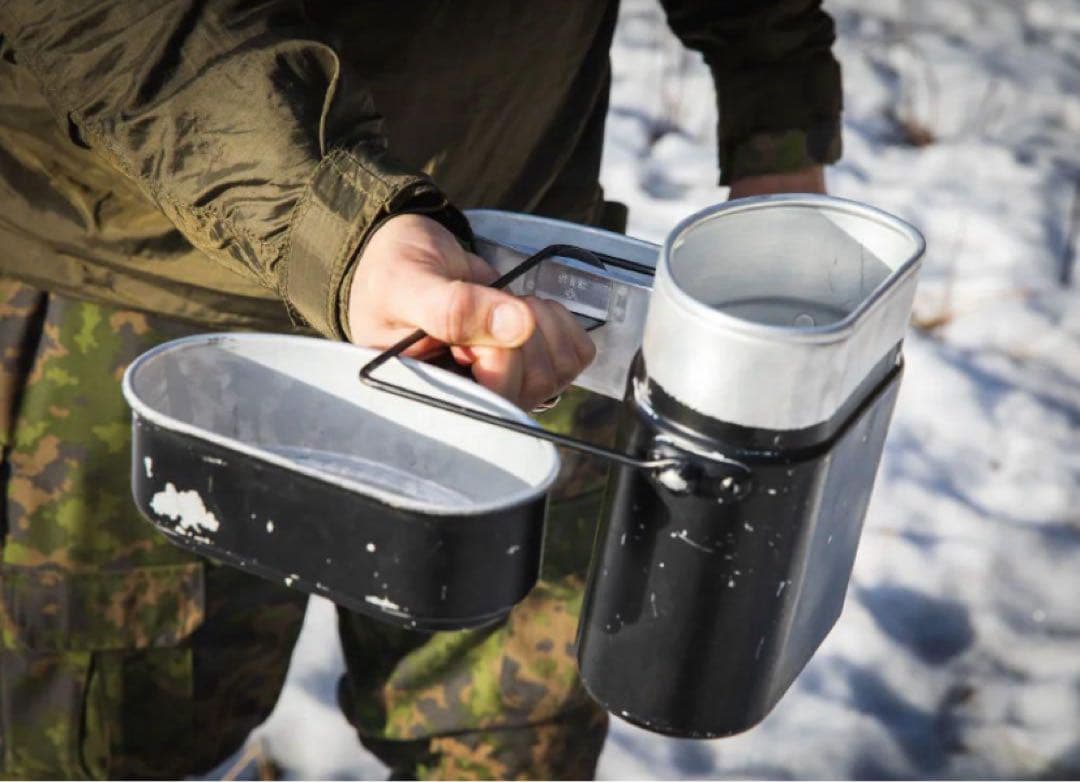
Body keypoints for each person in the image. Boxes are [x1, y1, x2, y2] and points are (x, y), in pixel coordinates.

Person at [0, 1, 841, 778]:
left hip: (522, 290)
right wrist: (335, 225)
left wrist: (780, 118)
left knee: (511, 736)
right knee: (112, 740)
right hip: (150, 288)